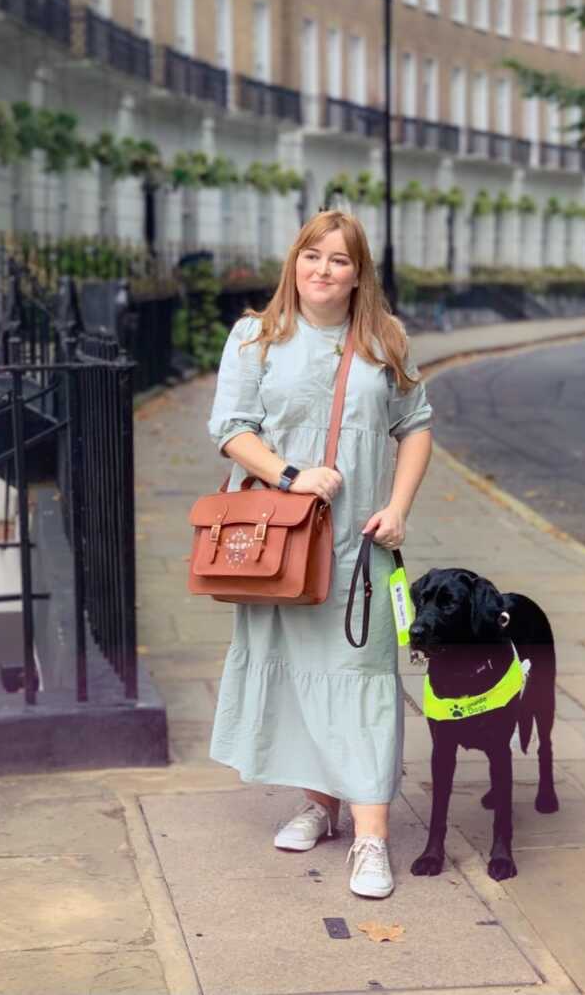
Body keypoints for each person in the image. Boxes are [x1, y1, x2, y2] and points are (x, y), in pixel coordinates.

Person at [207, 209, 433, 899]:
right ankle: (320, 805)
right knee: (303, 675)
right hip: (281, 544)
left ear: (359, 273)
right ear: (293, 262)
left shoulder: (384, 340)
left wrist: (397, 509)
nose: (322, 270)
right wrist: (288, 475)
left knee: (361, 675)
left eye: (339, 260)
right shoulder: (255, 336)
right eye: (312, 256)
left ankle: (371, 838)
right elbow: (230, 429)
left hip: (360, 547)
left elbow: (416, 427)